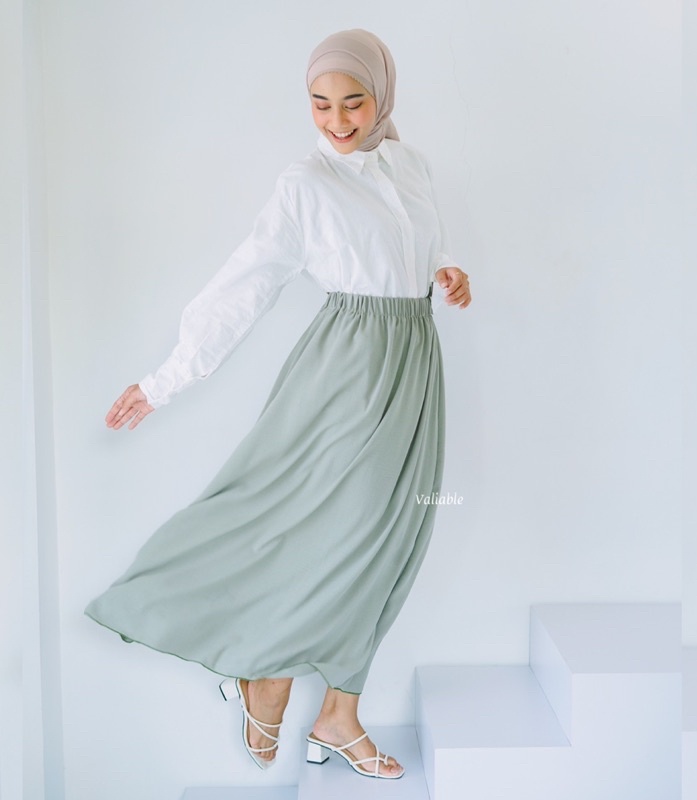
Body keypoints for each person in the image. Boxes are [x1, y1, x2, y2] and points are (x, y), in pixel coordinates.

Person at [86, 28, 471, 781]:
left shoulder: (411, 165)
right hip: (350, 371)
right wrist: (165, 379)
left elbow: (422, 250)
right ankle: (267, 675)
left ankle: (337, 713)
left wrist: (449, 273)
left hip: (416, 362)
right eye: (321, 104)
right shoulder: (306, 183)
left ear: (383, 96)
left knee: (395, 538)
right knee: (334, 533)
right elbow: (247, 282)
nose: (337, 120)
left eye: (354, 102)